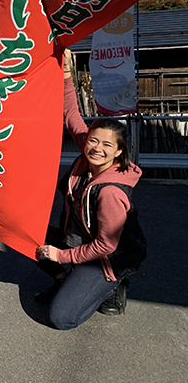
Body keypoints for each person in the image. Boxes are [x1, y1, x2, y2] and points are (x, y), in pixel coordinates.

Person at [35, 51, 146, 330]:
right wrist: (65, 72)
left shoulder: (110, 192)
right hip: (79, 241)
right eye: (93, 141)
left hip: (106, 259)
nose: (97, 148)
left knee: (62, 318)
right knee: (27, 234)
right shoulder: (89, 154)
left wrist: (61, 256)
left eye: (107, 146)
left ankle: (114, 285)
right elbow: (71, 112)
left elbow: (106, 245)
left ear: (119, 153)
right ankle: (63, 280)